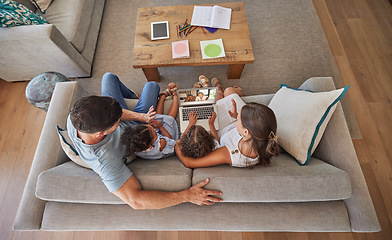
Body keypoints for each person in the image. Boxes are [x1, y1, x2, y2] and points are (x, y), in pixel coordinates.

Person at [67, 72, 222, 209]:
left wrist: (141, 117)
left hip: (141, 121)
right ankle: (138, 101)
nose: (120, 115)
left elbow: (119, 113)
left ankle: (133, 96)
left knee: (110, 77)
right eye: (117, 120)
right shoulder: (105, 162)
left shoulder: (77, 115)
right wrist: (187, 196)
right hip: (140, 129)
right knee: (152, 86)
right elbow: (136, 201)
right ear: (101, 133)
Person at [175, 75, 280, 168]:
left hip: (223, 131)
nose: (237, 117)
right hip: (231, 129)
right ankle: (221, 88)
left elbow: (189, 163)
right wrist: (235, 116)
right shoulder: (262, 135)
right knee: (229, 92)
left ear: (246, 132)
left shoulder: (230, 153)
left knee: (220, 96)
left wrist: (176, 145)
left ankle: (218, 87)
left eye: (238, 118)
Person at [120, 87, 180, 160]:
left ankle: (162, 97)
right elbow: (169, 139)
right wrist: (160, 127)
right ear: (150, 146)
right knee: (169, 118)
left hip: (153, 141)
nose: (154, 130)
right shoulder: (161, 144)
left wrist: (152, 124)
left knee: (155, 118)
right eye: (154, 132)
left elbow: (150, 133)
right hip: (168, 143)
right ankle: (175, 95)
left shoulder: (137, 144)